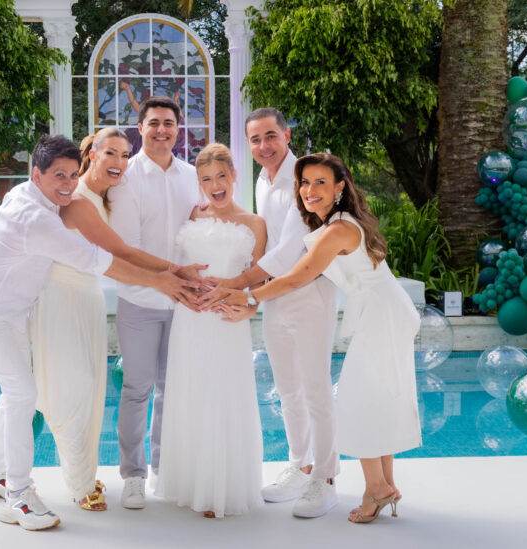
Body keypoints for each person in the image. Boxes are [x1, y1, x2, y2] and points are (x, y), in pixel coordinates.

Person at [0, 134, 197, 531]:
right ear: (36, 175)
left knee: (14, 394)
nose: (67, 184)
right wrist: (162, 281)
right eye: (58, 176)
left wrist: (168, 273)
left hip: (12, 315)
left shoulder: (31, 197)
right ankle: (18, 497)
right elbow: (102, 261)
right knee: (22, 394)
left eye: (71, 174)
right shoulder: (35, 219)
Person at [202, 152, 421, 524]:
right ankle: (385, 485)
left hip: (381, 314)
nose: (309, 190)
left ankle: (375, 489)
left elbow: (297, 276)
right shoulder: (336, 222)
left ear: (340, 188)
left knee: (360, 399)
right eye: (304, 183)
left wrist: (248, 296)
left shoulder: (337, 230)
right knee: (378, 396)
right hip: (383, 310)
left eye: (321, 182)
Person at [30, 128, 204, 513]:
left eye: (125, 155)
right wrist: (172, 274)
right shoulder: (78, 201)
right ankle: (80, 484)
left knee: (89, 389)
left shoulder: (107, 195)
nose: (120, 162)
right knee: (72, 389)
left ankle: (70, 474)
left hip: (86, 299)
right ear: (91, 153)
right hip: (64, 299)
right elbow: (119, 253)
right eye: (111, 153)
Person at [205, 108, 339, 518]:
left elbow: (290, 249)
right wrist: (254, 292)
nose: (263, 146)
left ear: (286, 135)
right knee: (288, 387)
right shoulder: (262, 181)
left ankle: (326, 479)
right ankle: (301, 465)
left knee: (316, 387)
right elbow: (265, 243)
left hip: (310, 291)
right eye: (255, 139)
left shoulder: (303, 179)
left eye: (270, 136)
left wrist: (239, 285)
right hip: (277, 294)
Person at [155, 143, 266, 519]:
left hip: (225, 321)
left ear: (234, 175)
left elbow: (259, 279)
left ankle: (221, 488)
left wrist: (243, 302)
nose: (215, 185)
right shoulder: (193, 214)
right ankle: (190, 483)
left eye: (221, 176)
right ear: (199, 184)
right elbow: (180, 267)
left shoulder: (254, 223)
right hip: (190, 320)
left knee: (223, 394)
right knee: (191, 392)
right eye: (206, 179)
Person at [108, 96, 201, 509]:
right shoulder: (126, 178)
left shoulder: (192, 176)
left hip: (184, 304)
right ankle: (133, 474)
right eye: (154, 123)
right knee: (137, 388)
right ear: (140, 128)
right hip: (139, 300)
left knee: (172, 389)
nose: (161, 130)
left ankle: (165, 469)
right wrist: (167, 279)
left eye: (168, 123)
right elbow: (127, 247)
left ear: (177, 129)